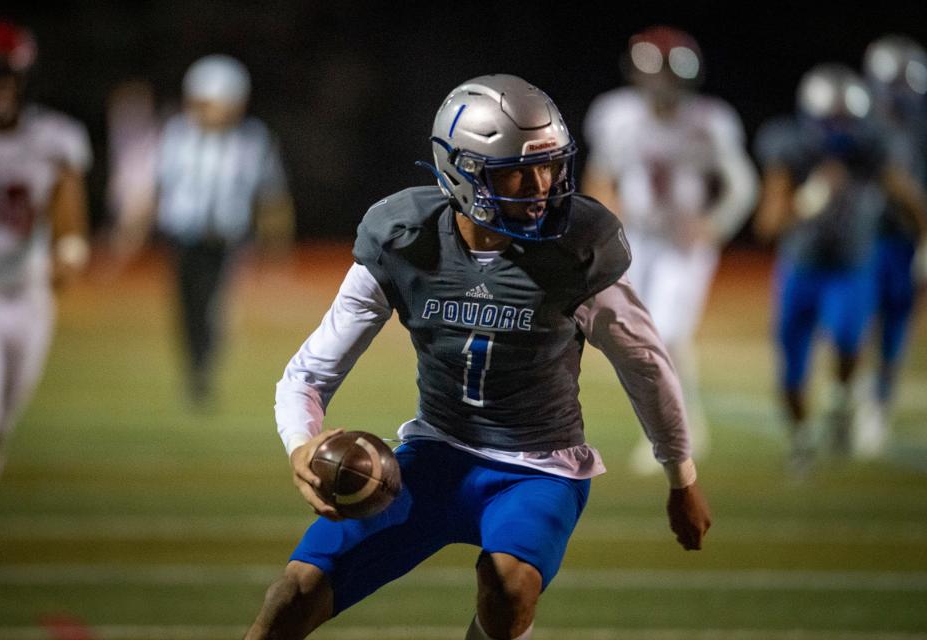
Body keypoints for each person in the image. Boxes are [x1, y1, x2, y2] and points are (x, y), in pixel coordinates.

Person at [244, 74, 711, 640]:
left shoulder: (577, 250)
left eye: (550, 166)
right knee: (292, 595)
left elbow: (645, 363)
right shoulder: (404, 238)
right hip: (436, 454)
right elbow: (309, 374)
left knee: (508, 586)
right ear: (458, 170)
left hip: (538, 468)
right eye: (516, 169)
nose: (541, 186)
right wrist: (302, 444)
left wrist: (680, 476)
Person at [582, 26, 759, 475]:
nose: (659, 83)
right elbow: (600, 178)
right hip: (637, 240)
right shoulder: (616, 115)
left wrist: (714, 224)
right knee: (645, 336)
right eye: (652, 72)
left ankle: (668, 433)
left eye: (667, 73)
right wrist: (607, 228)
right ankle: (687, 424)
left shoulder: (709, 119)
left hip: (681, 243)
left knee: (666, 333)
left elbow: (742, 185)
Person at [753, 63, 926, 473]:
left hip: (851, 265)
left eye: (847, 122)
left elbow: (909, 199)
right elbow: (768, 225)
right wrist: (805, 200)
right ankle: (799, 440)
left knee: (849, 341)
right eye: (831, 122)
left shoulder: (874, 147)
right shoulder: (789, 147)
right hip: (802, 267)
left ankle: (844, 397)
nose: (839, 132)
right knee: (791, 371)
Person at [0, 20, 92, 559]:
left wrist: (69, 251)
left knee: (3, 415)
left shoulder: (54, 138)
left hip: (28, 294)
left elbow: (68, 206)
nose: (1, 88)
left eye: (8, 76)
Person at [114, 54, 295, 407]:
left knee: (215, 307)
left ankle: (203, 370)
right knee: (187, 308)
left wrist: (277, 244)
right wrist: (130, 231)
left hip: (226, 240)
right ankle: (194, 367)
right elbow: (154, 186)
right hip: (183, 237)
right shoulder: (177, 135)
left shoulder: (252, 139)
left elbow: (271, 195)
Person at [857, 35, 927, 456]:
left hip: (902, 238)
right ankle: (855, 395)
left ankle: (878, 403)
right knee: (854, 321)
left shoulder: (918, 127)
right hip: (862, 237)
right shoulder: (860, 123)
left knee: (895, 324)